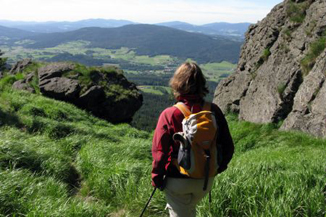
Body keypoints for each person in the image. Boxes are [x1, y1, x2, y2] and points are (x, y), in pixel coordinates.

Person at [151, 62, 234, 217]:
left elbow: (160, 151)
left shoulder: (170, 114)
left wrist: (156, 178)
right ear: (201, 83)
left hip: (178, 180)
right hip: (205, 180)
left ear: (177, 84)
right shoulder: (213, 110)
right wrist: (217, 168)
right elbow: (228, 146)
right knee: (189, 211)